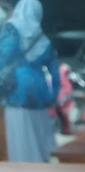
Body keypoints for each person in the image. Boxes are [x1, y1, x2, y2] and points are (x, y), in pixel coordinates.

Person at [0, 0, 60, 162]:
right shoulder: (44, 40)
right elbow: (55, 72)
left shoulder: (12, 30)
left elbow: (2, 59)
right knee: (40, 138)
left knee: (20, 140)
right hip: (40, 93)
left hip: (16, 91)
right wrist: (52, 96)